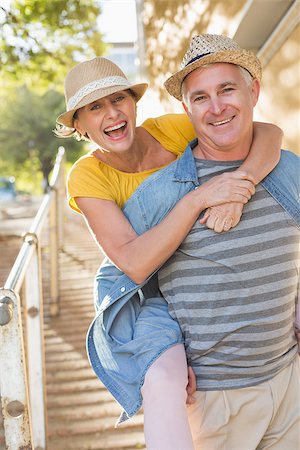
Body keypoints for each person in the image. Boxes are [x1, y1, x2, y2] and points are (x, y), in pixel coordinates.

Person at [55, 55, 283, 449]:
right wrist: (198, 199)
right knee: (163, 379)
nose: (112, 114)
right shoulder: (87, 175)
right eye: (95, 108)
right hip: (144, 294)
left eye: (118, 99)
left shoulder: (173, 130)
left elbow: (270, 134)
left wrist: (239, 185)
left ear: (133, 103)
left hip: (201, 267)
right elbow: (136, 263)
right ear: (78, 125)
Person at [107, 34, 299, 449]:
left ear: (254, 92)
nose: (216, 108)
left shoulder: (287, 168)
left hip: (290, 383)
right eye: (200, 97)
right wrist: (158, 358)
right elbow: (119, 280)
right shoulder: (162, 194)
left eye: (227, 89)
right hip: (216, 400)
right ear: (186, 109)